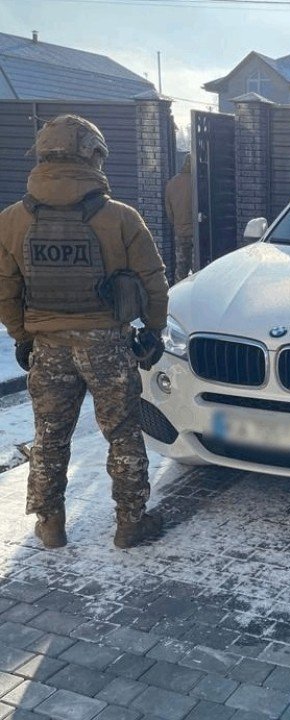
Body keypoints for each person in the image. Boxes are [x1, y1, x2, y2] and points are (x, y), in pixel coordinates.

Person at [0, 114, 170, 550]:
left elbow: (6, 290)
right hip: (107, 344)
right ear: (93, 156)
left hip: (48, 345)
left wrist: (21, 335)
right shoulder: (120, 217)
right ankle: (131, 523)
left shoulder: (12, 220)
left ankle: (50, 524)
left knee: (49, 436)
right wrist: (153, 330)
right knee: (123, 433)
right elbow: (153, 281)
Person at [165, 153, 193, 282]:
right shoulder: (196, 182)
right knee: (198, 269)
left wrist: (177, 224)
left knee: (181, 268)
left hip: (180, 232)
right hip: (195, 232)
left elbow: (169, 212)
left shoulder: (171, 183)